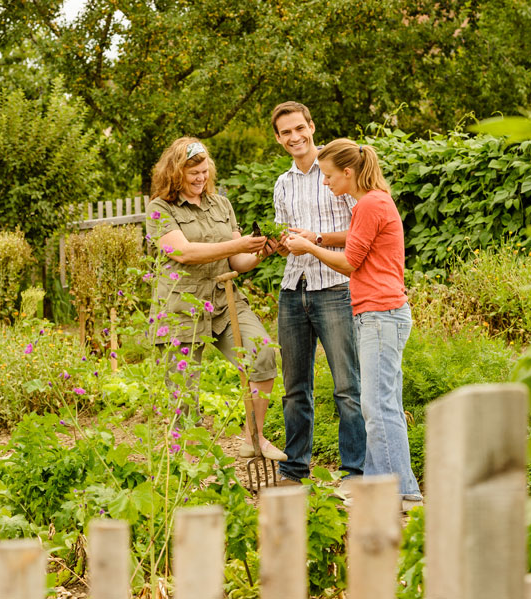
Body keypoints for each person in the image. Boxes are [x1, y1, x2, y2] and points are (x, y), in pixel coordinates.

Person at [285, 138, 422, 509]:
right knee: (381, 404)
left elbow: (350, 262)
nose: (326, 182)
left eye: (329, 176)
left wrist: (310, 249)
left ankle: (398, 493)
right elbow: (357, 241)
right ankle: (388, 487)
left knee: (378, 408)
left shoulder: (369, 204)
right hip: (381, 313)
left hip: (380, 314)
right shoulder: (374, 202)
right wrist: (314, 236)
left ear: (348, 173)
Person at [146, 136, 287, 462]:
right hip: (181, 307)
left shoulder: (220, 205)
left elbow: (238, 263)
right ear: (174, 172)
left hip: (224, 300)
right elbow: (183, 252)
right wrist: (238, 246)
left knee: (263, 354)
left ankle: (254, 437)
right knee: (183, 393)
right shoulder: (160, 208)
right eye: (192, 173)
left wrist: (260, 252)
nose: (200, 178)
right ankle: (183, 465)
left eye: (204, 171)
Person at [270, 102, 366, 484]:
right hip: (294, 289)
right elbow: (288, 235)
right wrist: (278, 244)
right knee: (295, 389)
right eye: (286, 133)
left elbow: (363, 228)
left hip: (336, 289)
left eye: (299, 129)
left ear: (312, 126)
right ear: (278, 139)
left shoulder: (340, 171)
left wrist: (317, 239)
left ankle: (355, 471)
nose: (295, 137)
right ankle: (294, 469)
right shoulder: (282, 183)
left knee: (347, 387)